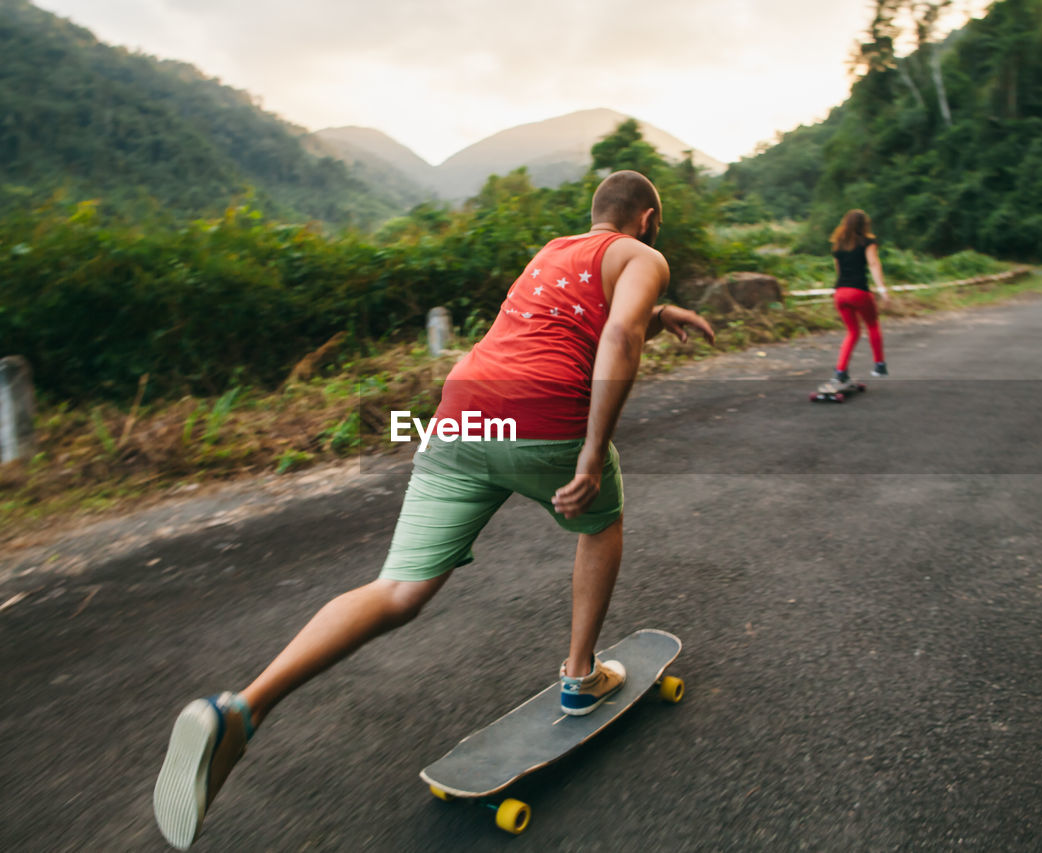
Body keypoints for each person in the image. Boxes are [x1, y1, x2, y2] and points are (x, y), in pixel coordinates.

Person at [151, 170, 716, 850]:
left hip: (460, 415)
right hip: (542, 418)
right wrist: (591, 453)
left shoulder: (552, 251)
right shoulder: (643, 256)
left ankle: (242, 707)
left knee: (396, 589)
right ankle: (578, 677)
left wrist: (660, 315)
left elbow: (578, 319)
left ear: (593, 213)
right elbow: (617, 335)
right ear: (648, 218)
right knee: (600, 523)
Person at [829, 209, 889, 383]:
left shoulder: (838, 244)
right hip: (859, 292)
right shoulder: (868, 241)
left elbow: (838, 270)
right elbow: (873, 263)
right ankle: (879, 365)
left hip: (840, 293)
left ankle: (840, 371)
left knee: (852, 332)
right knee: (872, 325)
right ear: (864, 224)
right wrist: (882, 288)